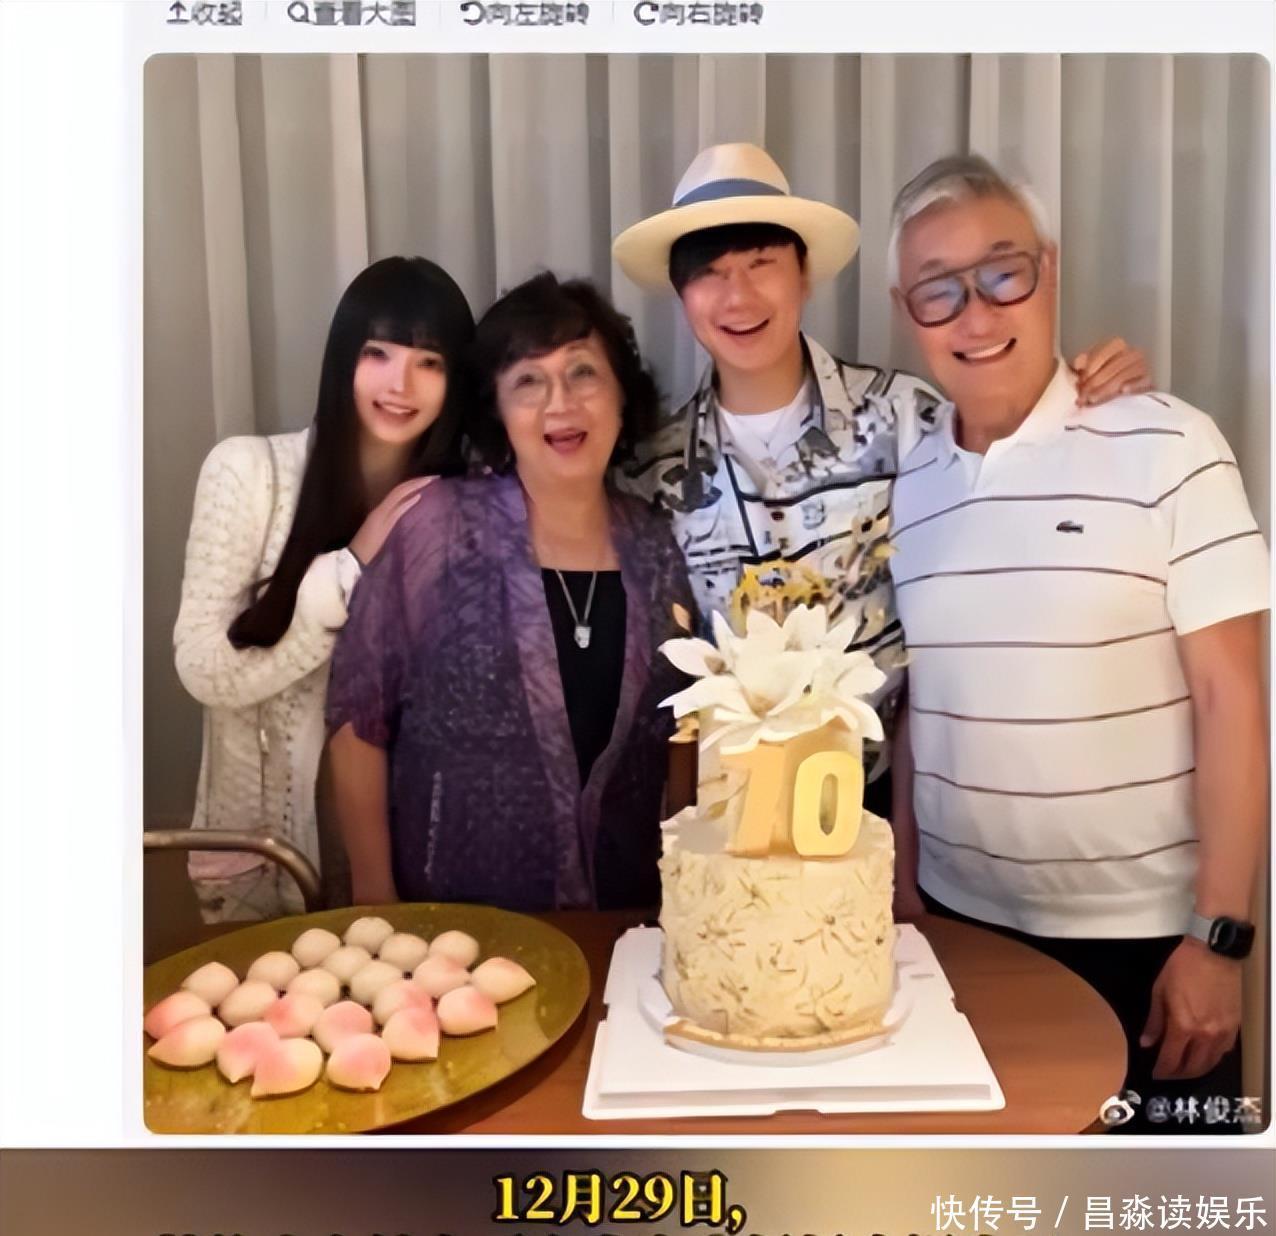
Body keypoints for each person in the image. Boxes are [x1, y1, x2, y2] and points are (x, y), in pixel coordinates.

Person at [886, 154, 1268, 1133]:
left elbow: (1234, 700)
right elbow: (926, 700)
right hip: (962, 937)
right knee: (985, 1197)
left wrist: (1220, 939)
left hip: (1148, 946)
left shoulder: (1170, 444)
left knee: (1143, 1198)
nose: (975, 313)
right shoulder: (911, 482)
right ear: (905, 312)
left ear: (1049, 271)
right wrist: (907, 892)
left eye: (1002, 272)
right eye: (938, 289)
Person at [610, 142, 1149, 814]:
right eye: (710, 274)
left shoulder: (908, 420)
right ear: (682, 295)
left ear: (804, 275)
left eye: (762, 264)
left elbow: (1024, 497)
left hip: (896, 801)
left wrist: (1089, 391)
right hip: (730, 811)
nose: (738, 295)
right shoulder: (649, 473)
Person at [325, 273, 694, 912]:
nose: (560, 404)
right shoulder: (439, 527)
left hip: (625, 917)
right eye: (528, 381)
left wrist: (687, 885)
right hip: (454, 922)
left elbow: (683, 729)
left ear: (621, 396)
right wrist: (374, 891)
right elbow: (360, 714)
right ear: (496, 407)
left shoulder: (656, 544)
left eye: (583, 373)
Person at [174, 256, 476, 921]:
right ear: (343, 359)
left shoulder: (458, 506)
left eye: (429, 362)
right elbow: (204, 670)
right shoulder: (248, 473)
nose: (400, 384)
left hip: (409, 859)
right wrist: (351, 564)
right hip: (265, 865)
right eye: (378, 353)